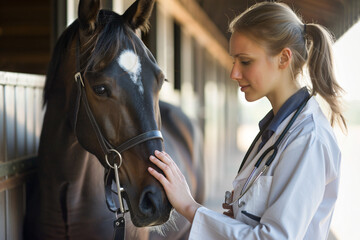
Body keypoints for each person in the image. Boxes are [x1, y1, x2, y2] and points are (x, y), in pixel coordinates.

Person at [148, 2, 347, 239]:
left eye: (245, 61)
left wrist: (189, 207)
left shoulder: (308, 139)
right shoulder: (278, 129)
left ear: (284, 58)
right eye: (234, 61)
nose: (234, 73)